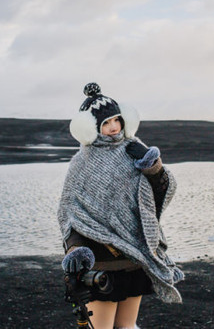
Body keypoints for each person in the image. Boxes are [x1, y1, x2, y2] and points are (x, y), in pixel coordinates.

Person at [57, 83, 184, 329]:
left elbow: (160, 194)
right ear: (91, 128)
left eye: (117, 119)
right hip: (100, 260)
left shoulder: (134, 149)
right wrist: (75, 249)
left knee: (127, 327)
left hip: (134, 257)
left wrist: (152, 165)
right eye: (106, 123)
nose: (114, 126)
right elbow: (69, 212)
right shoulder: (81, 163)